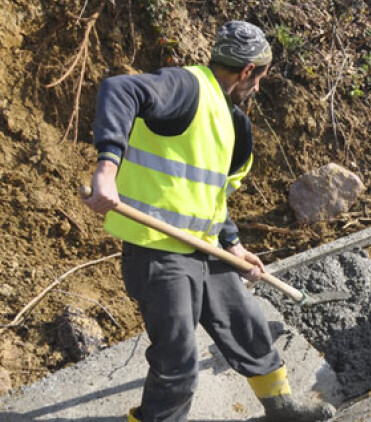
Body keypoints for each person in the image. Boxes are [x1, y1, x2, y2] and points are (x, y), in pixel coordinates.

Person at [82, 22, 335, 422]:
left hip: (205, 245)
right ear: (249, 71)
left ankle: (281, 407)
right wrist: (107, 169)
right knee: (177, 359)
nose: (257, 88)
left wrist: (232, 243)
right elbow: (120, 89)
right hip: (158, 249)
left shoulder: (230, 120)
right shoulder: (187, 88)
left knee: (248, 326)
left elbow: (212, 197)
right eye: (260, 78)